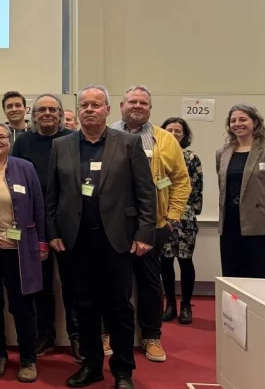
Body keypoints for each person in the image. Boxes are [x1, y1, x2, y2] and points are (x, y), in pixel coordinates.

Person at [46, 85, 156, 389]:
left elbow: (146, 193)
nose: (90, 110)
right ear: (78, 110)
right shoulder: (62, 145)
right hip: (76, 241)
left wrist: (145, 233)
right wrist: (52, 232)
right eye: (84, 105)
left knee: (119, 307)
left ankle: (123, 371)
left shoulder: (129, 143)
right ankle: (92, 365)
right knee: (85, 307)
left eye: (96, 105)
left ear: (108, 109)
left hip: (117, 240)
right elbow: (51, 195)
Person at [107, 85, 190, 364]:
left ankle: (152, 336)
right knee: (113, 282)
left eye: (143, 102)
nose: (137, 106)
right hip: (113, 224)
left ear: (150, 109)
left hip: (152, 225)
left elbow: (180, 181)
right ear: (121, 106)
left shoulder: (165, 140)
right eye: (132, 101)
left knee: (150, 283)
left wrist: (171, 219)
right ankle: (108, 332)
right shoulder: (106, 135)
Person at [0, 122, 46, 383]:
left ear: (10, 140)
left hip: (20, 249)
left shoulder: (24, 167)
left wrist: (41, 242)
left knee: (23, 305)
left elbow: (38, 206)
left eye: (2, 136)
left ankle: (28, 359)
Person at [12, 94, 79, 361]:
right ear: (33, 114)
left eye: (53, 109)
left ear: (61, 113)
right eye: (42, 109)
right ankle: (45, 334)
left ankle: (76, 336)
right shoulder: (24, 142)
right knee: (40, 285)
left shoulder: (73, 140)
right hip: (32, 225)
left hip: (67, 225)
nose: (47, 113)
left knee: (72, 283)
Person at [216, 104, 265, 279]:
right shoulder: (222, 153)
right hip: (230, 225)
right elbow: (222, 188)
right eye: (233, 120)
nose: (237, 124)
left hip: (263, 226)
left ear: (255, 122)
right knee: (233, 278)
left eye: (243, 119)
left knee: (263, 277)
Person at [160, 117, 203, 325]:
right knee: (165, 261)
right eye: (170, 130)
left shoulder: (192, 157)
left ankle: (186, 305)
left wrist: (187, 211)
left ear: (185, 135)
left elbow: (194, 188)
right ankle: (169, 304)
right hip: (162, 215)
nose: (174, 134)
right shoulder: (159, 155)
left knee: (185, 261)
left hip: (185, 216)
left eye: (178, 131)